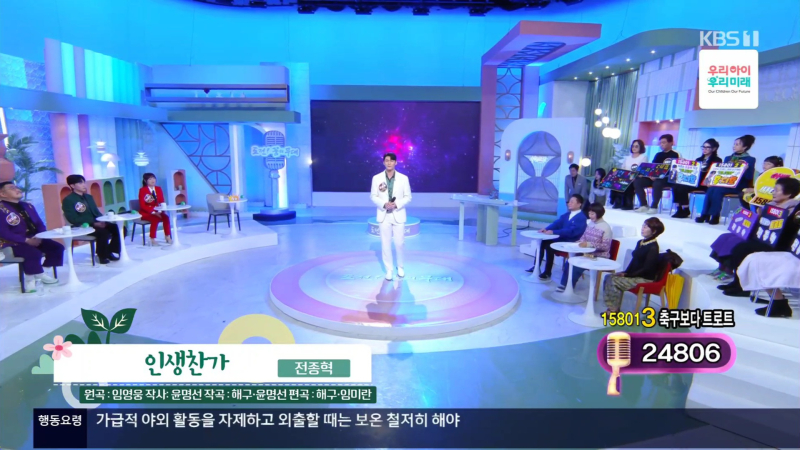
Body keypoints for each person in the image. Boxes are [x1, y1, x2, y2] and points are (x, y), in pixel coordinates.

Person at [716, 178, 800, 308]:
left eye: (777, 190)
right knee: (735, 243)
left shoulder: (794, 208)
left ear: (788, 194)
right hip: (763, 237)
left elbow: (788, 231)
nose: (773, 192)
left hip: (779, 243)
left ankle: (743, 286)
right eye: (773, 189)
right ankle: (737, 282)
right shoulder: (771, 204)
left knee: (742, 249)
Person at [0, 181, 64, 292]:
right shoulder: (1, 209)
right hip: (14, 242)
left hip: (35, 238)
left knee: (57, 248)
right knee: (33, 253)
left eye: (17, 187)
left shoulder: (28, 206)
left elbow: (40, 224)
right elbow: (4, 233)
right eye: (12, 188)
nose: (17, 189)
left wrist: (40, 237)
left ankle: (42, 273)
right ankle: (30, 280)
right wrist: (26, 240)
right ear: (2, 194)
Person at [603, 217, 664, 313]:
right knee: (608, 277)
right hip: (634, 274)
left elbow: (647, 268)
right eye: (643, 226)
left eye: (646, 227)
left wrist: (628, 275)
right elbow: (634, 261)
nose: (642, 229)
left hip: (644, 278)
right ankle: (613, 306)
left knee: (613, 281)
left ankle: (613, 310)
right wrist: (625, 272)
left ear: (654, 231)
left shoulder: (653, 247)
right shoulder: (640, 242)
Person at [696, 135, 757, 225]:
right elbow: (722, 173)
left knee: (718, 190)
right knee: (711, 188)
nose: (734, 146)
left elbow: (749, 177)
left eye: (737, 144)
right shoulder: (728, 158)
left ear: (745, 147)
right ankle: (705, 214)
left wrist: (745, 170)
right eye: (734, 144)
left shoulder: (750, 159)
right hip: (725, 183)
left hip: (739, 186)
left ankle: (715, 215)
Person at [370, 153, 412, 281]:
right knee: (385, 244)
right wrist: (384, 204)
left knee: (399, 243)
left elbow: (408, 197)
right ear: (383, 162)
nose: (389, 163)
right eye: (387, 160)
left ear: (396, 163)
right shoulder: (376, 178)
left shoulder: (403, 178)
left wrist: (396, 204)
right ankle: (389, 269)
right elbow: (373, 196)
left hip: (398, 214)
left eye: (392, 160)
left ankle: (400, 267)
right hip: (384, 215)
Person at [527, 194, 588, 280]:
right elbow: (557, 223)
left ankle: (547, 272)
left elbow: (572, 232)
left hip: (571, 241)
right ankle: (536, 266)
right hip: (562, 238)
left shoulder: (581, 218)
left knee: (549, 246)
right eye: (569, 202)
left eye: (572, 202)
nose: (569, 203)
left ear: (579, 204)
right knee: (542, 242)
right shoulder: (566, 215)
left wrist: (554, 232)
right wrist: (546, 229)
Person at [62, 174, 120, 264]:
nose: (83, 185)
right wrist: (93, 223)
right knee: (103, 233)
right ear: (72, 186)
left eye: (83, 182)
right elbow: (72, 219)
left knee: (118, 228)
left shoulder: (89, 197)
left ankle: (109, 251)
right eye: (80, 183)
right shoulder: (68, 200)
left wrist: (103, 220)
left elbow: (96, 212)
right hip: (82, 226)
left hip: (97, 222)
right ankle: (102, 256)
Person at [556, 202, 613, 292]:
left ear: (599, 213)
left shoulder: (606, 227)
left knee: (578, 264)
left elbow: (605, 246)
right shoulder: (590, 223)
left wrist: (588, 244)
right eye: (589, 213)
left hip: (598, 256)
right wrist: (578, 243)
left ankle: (569, 286)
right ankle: (564, 284)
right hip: (587, 253)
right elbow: (584, 237)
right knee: (570, 261)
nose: (590, 216)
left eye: (592, 214)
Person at [671, 139, 723, 218]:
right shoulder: (698, 160)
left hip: (705, 183)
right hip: (695, 181)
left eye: (707, 147)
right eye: (703, 147)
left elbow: (715, 173)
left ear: (714, 149)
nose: (704, 149)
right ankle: (679, 209)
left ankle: (686, 209)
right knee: (676, 186)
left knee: (682, 188)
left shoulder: (717, 160)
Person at [634, 134, 679, 214]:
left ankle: (654, 206)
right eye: (660, 143)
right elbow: (653, 166)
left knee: (657, 183)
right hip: (654, 177)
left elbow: (674, 170)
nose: (661, 144)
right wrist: (650, 175)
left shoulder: (675, 155)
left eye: (664, 142)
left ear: (671, 143)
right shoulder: (658, 154)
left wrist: (658, 176)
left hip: (666, 178)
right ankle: (643, 205)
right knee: (638, 181)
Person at [611, 139, 648, 210]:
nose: (634, 148)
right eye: (633, 146)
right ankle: (618, 202)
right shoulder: (627, 158)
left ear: (641, 147)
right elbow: (623, 168)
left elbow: (643, 169)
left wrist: (633, 176)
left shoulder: (643, 157)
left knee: (630, 181)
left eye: (636, 146)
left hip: (637, 176)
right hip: (626, 175)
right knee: (615, 179)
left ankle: (628, 204)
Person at [138, 173, 173, 247]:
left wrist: (161, 210)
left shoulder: (158, 188)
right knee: (155, 218)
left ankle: (167, 236)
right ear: (145, 181)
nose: (152, 180)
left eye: (153, 178)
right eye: (150, 179)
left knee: (166, 217)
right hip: (146, 212)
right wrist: (153, 212)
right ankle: (152, 238)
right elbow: (142, 205)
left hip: (158, 211)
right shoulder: (142, 190)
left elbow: (162, 201)